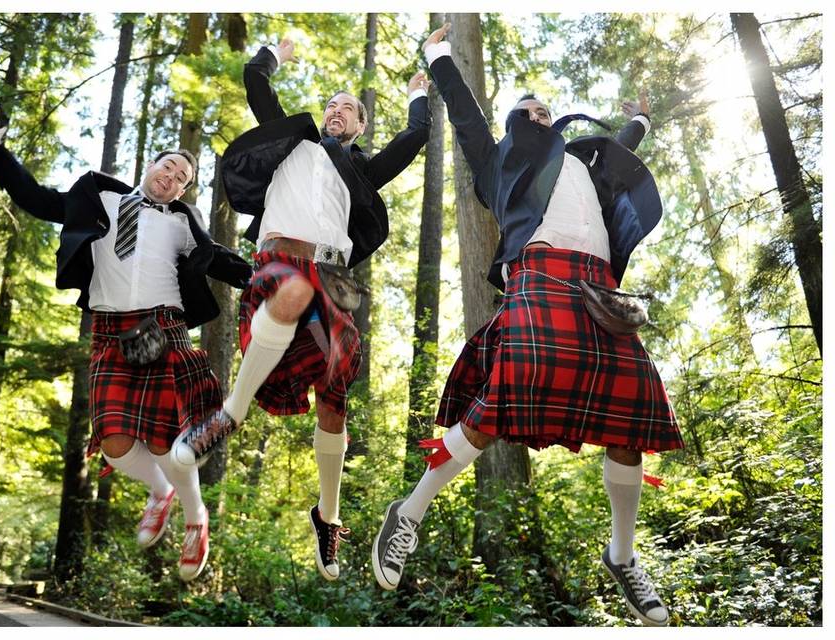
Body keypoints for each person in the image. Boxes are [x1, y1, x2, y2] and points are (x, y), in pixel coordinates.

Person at [371, 24, 682, 627]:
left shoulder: (582, 165)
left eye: (545, 109)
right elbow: (463, 111)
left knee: (634, 409)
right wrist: (437, 56)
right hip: (536, 279)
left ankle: (622, 555)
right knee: (506, 392)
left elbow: (618, 156)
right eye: (527, 109)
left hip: (600, 292)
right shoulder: (496, 160)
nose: (539, 113)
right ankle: (408, 512)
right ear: (514, 122)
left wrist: (638, 123)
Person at [170, 37, 431, 582]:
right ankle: (229, 415)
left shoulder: (362, 170)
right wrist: (274, 57)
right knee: (290, 292)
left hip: (333, 279)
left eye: (349, 109)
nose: (337, 112)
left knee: (333, 404)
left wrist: (418, 95)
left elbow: (416, 137)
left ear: (360, 126)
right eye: (331, 105)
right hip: (277, 263)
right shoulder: (291, 142)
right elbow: (255, 81)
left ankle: (328, 516)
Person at [0, 123, 251, 582]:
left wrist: (263, 273)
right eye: (169, 167)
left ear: (184, 189)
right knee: (115, 443)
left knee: (166, 441)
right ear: (151, 166)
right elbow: (38, 199)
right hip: (111, 331)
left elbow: (220, 258)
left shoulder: (183, 223)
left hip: (163, 326)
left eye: (183, 177)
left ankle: (195, 516)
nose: (173, 177)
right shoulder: (98, 200)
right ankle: (159, 491)